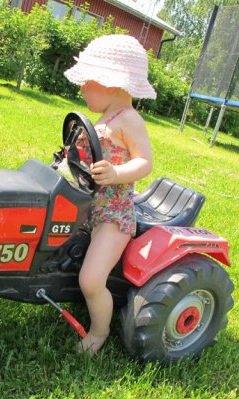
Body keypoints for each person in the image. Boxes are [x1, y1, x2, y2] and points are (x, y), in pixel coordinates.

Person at [63, 34, 156, 354]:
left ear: (113, 84)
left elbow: (145, 162)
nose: (81, 87)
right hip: (90, 205)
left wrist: (116, 174)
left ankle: (99, 333)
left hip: (113, 215)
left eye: (87, 80)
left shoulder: (129, 120)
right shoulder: (105, 117)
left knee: (90, 279)